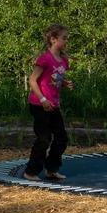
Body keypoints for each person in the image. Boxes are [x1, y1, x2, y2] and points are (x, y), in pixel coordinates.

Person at [24, 24, 74, 181]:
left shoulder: (64, 60)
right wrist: (43, 99)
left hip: (53, 105)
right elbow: (33, 80)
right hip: (39, 105)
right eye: (64, 38)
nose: (66, 41)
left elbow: (53, 76)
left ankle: (51, 169)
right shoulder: (44, 58)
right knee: (44, 138)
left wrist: (63, 82)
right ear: (53, 40)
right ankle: (30, 172)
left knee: (61, 138)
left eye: (67, 38)